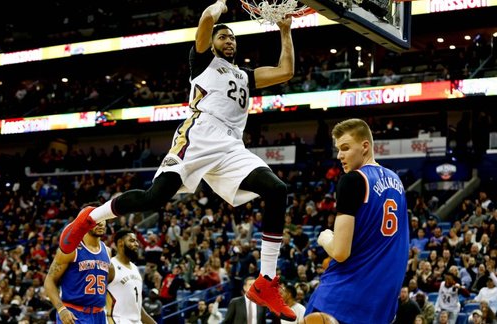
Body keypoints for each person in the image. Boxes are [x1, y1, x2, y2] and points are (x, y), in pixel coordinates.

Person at [59, 0, 297, 320]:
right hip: (197, 138)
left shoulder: (244, 76)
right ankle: (91, 216)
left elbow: (286, 71)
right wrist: (218, 8)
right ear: (212, 44)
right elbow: (204, 22)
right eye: (223, 37)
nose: (229, 41)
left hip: (230, 146)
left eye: (233, 38)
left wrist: (285, 31)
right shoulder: (203, 64)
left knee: (277, 189)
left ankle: (266, 282)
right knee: (154, 198)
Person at [304, 118, 410, 324]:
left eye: (345, 148)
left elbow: (341, 252)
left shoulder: (353, 179)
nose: (339, 155)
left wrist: (326, 238)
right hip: (381, 304)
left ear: (365, 146)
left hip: (342, 297)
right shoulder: (397, 182)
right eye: (338, 149)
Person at [44, 219, 112, 324]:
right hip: (74, 314)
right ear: (85, 222)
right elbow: (49, 280)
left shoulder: (107, 251)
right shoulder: (71, 249)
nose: (101, 223)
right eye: (97, 219)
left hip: (99, 315)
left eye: (103, 219)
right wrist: (61, 309)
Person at [105, 228, 157, 324]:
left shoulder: (134, 268)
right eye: (132, 241)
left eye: (136, 241)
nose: (137, 244)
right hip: (117, 320)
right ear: (120, 243)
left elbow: (137, 307)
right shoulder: (111, 266)